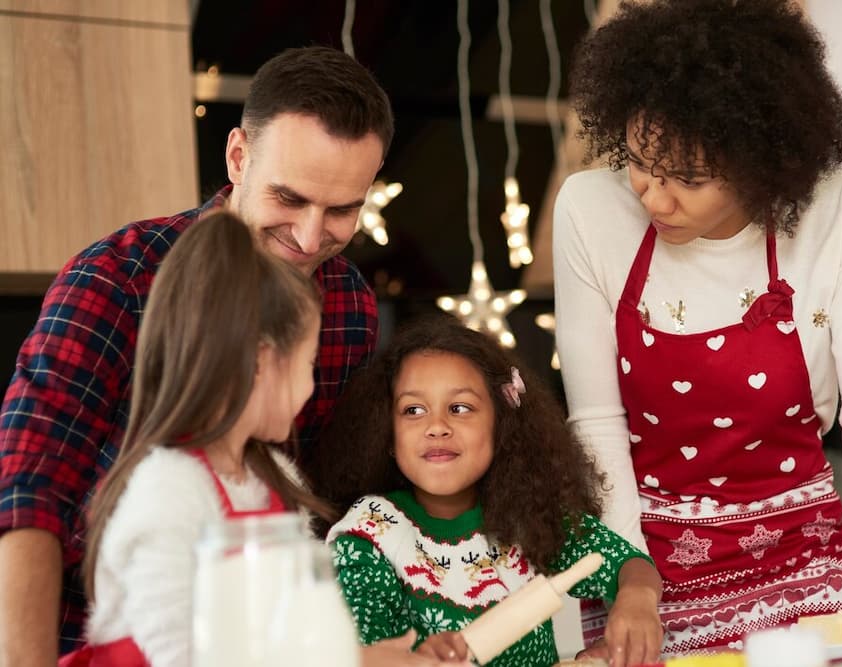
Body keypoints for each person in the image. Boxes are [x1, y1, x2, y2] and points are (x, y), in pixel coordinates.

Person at [0, 45, 407, 665]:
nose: (308, 237)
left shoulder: (349, 302)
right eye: (289, 198)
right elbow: (29, 488)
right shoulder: (119, 279)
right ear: (239, 156)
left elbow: (321, 512)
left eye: (342, 210)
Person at [552, 0, 842, 656]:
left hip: (804, 554)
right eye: (641, 159)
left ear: (762, 167)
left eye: (689, 179)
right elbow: (596, 425)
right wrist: (628, 577)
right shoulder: (590, 210)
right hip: (647, 558)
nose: (653, 196)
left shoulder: (833, 210)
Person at [57, 210, 334, 665]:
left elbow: (303, 624)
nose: (311, 386)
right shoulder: (168, 491)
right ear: (261, 362)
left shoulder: (280, 481)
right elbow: (175, 653)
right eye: (309, 366)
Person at [307, 316, 664, 667]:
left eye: (459, 408)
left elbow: (625, 564)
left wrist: (636, 598)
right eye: (413, 410)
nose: (436, 427)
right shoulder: (369, 536)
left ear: (501, 426)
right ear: (386, 434)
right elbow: (362, 655)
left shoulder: (525, 513)